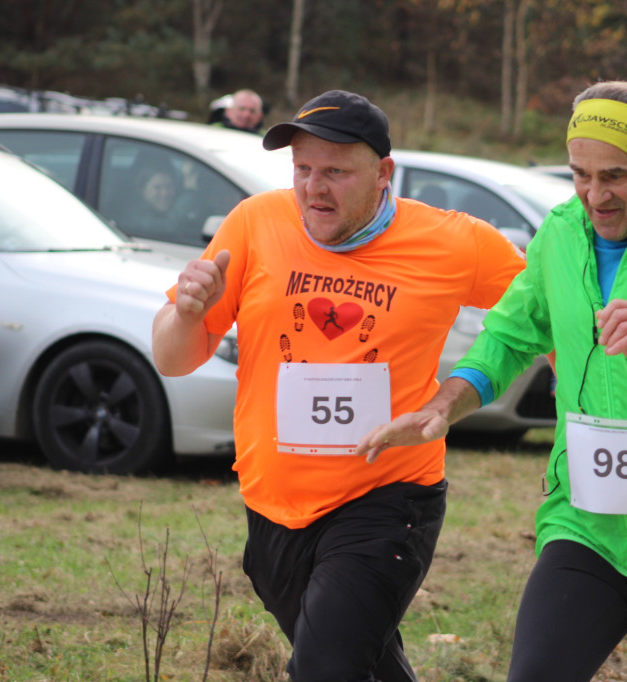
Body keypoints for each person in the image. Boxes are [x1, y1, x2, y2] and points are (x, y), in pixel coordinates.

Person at [358, 81, 627, 681]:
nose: (594, 195)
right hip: (585, 526)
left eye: (614, 175)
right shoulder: (560, 234)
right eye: (579, 175)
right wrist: (444, 406)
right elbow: (510, 334)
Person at [151, 89, 526, 681]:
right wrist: (188, 313)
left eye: (334, 172)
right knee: (364, 664)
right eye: (302, 169)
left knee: (326, 666)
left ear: (383, 174)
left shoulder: (455, 242)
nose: (313, 188)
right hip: (274, 505)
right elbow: (172, 359)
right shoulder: (255, 223)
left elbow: (542, 316)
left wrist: (464, 391)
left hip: (388, 498)